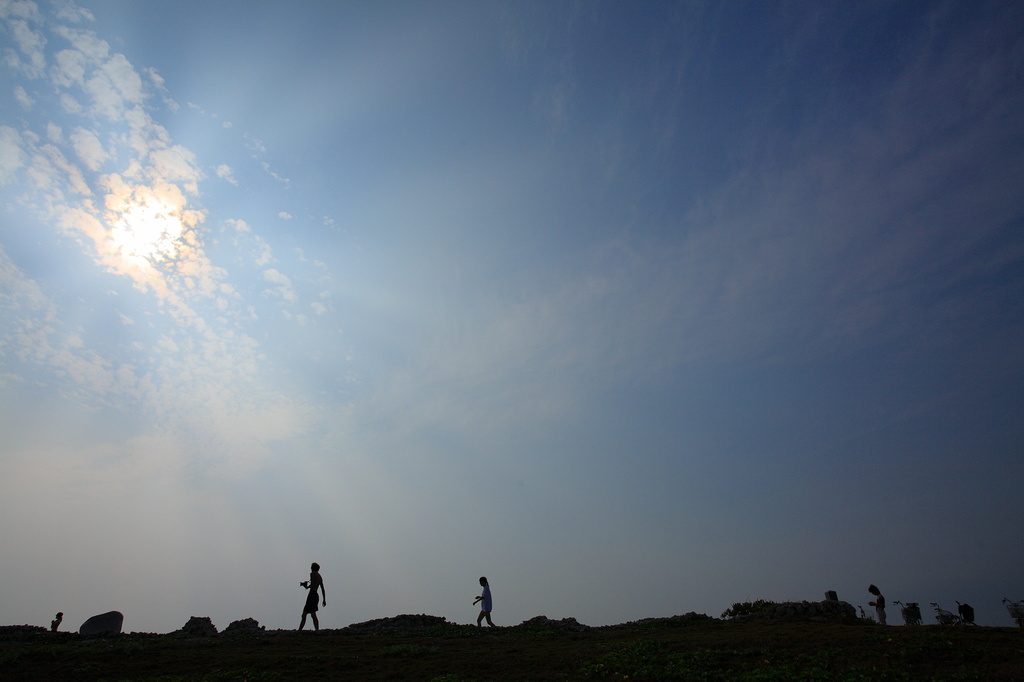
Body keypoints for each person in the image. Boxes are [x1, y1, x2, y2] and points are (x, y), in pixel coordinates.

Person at [299, 562, 326, 631]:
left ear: (312, 568)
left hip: (311, 594)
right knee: (313, 614)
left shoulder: (312, 574)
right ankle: (317, 630)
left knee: (305, 614)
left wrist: (306, 586)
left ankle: (299, 630)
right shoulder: (319, 576)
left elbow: (313, 584)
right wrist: (324, 599)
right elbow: (322, 588)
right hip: (316, 595)